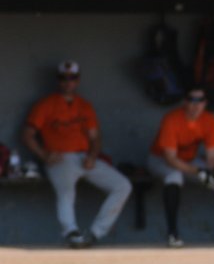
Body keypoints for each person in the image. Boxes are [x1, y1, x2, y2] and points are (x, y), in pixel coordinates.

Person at [21, 60, 132, 248]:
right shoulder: (46, 104)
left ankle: (95, 233)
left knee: (123, 185)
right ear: (58, 80)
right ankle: (71, 232)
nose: (68, 82)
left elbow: (95, 137)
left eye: (72, 78)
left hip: (83, 157)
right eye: (63, 78)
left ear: (78, 80)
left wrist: (92, 156)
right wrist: (44, 155)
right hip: (60, 157)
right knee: (66, 192)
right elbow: (27, 134)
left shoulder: (84, 105)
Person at [147, 86, 214, 248]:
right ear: (184, 102)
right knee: (174, 177)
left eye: (200, 100)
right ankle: (172, 235)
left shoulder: (209, 120)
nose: (196, 104)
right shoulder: (172, 119)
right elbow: (170, 159)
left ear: (205, 103)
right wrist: (199, 171)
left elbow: (212, 157)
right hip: (160, 159)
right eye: (192, 100)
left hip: (190, 161)